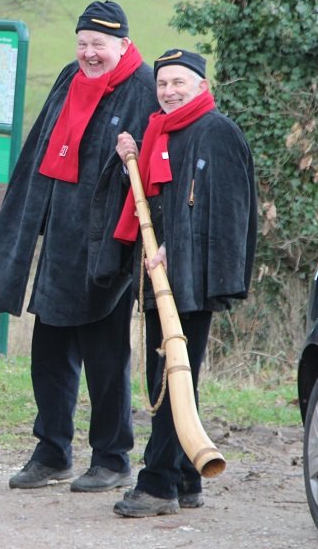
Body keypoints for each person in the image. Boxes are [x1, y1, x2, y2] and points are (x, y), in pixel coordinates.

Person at [0, 1, 158, 493]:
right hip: (60, 243)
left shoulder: (144, 88)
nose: (89, 53)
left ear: (123, 43)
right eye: (82, 43)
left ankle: (112, 456)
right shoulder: (68, 77)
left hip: (107, 248)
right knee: (50, 352)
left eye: (99, 44)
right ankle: (52, 450)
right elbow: (40, 148)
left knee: (105, 356)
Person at [110, 49, 256, 517]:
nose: (169, 91)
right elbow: (162, 196)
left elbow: (229, 211)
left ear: (199, 85)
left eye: (178, 82)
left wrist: (177, 249)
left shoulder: (217, 132)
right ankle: (186, 479)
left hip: (192, 278)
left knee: (173, 374)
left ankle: (156, 485)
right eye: (163, 83)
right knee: (172, 373)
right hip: (164, 274)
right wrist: (129, 159)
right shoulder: (164, 129)